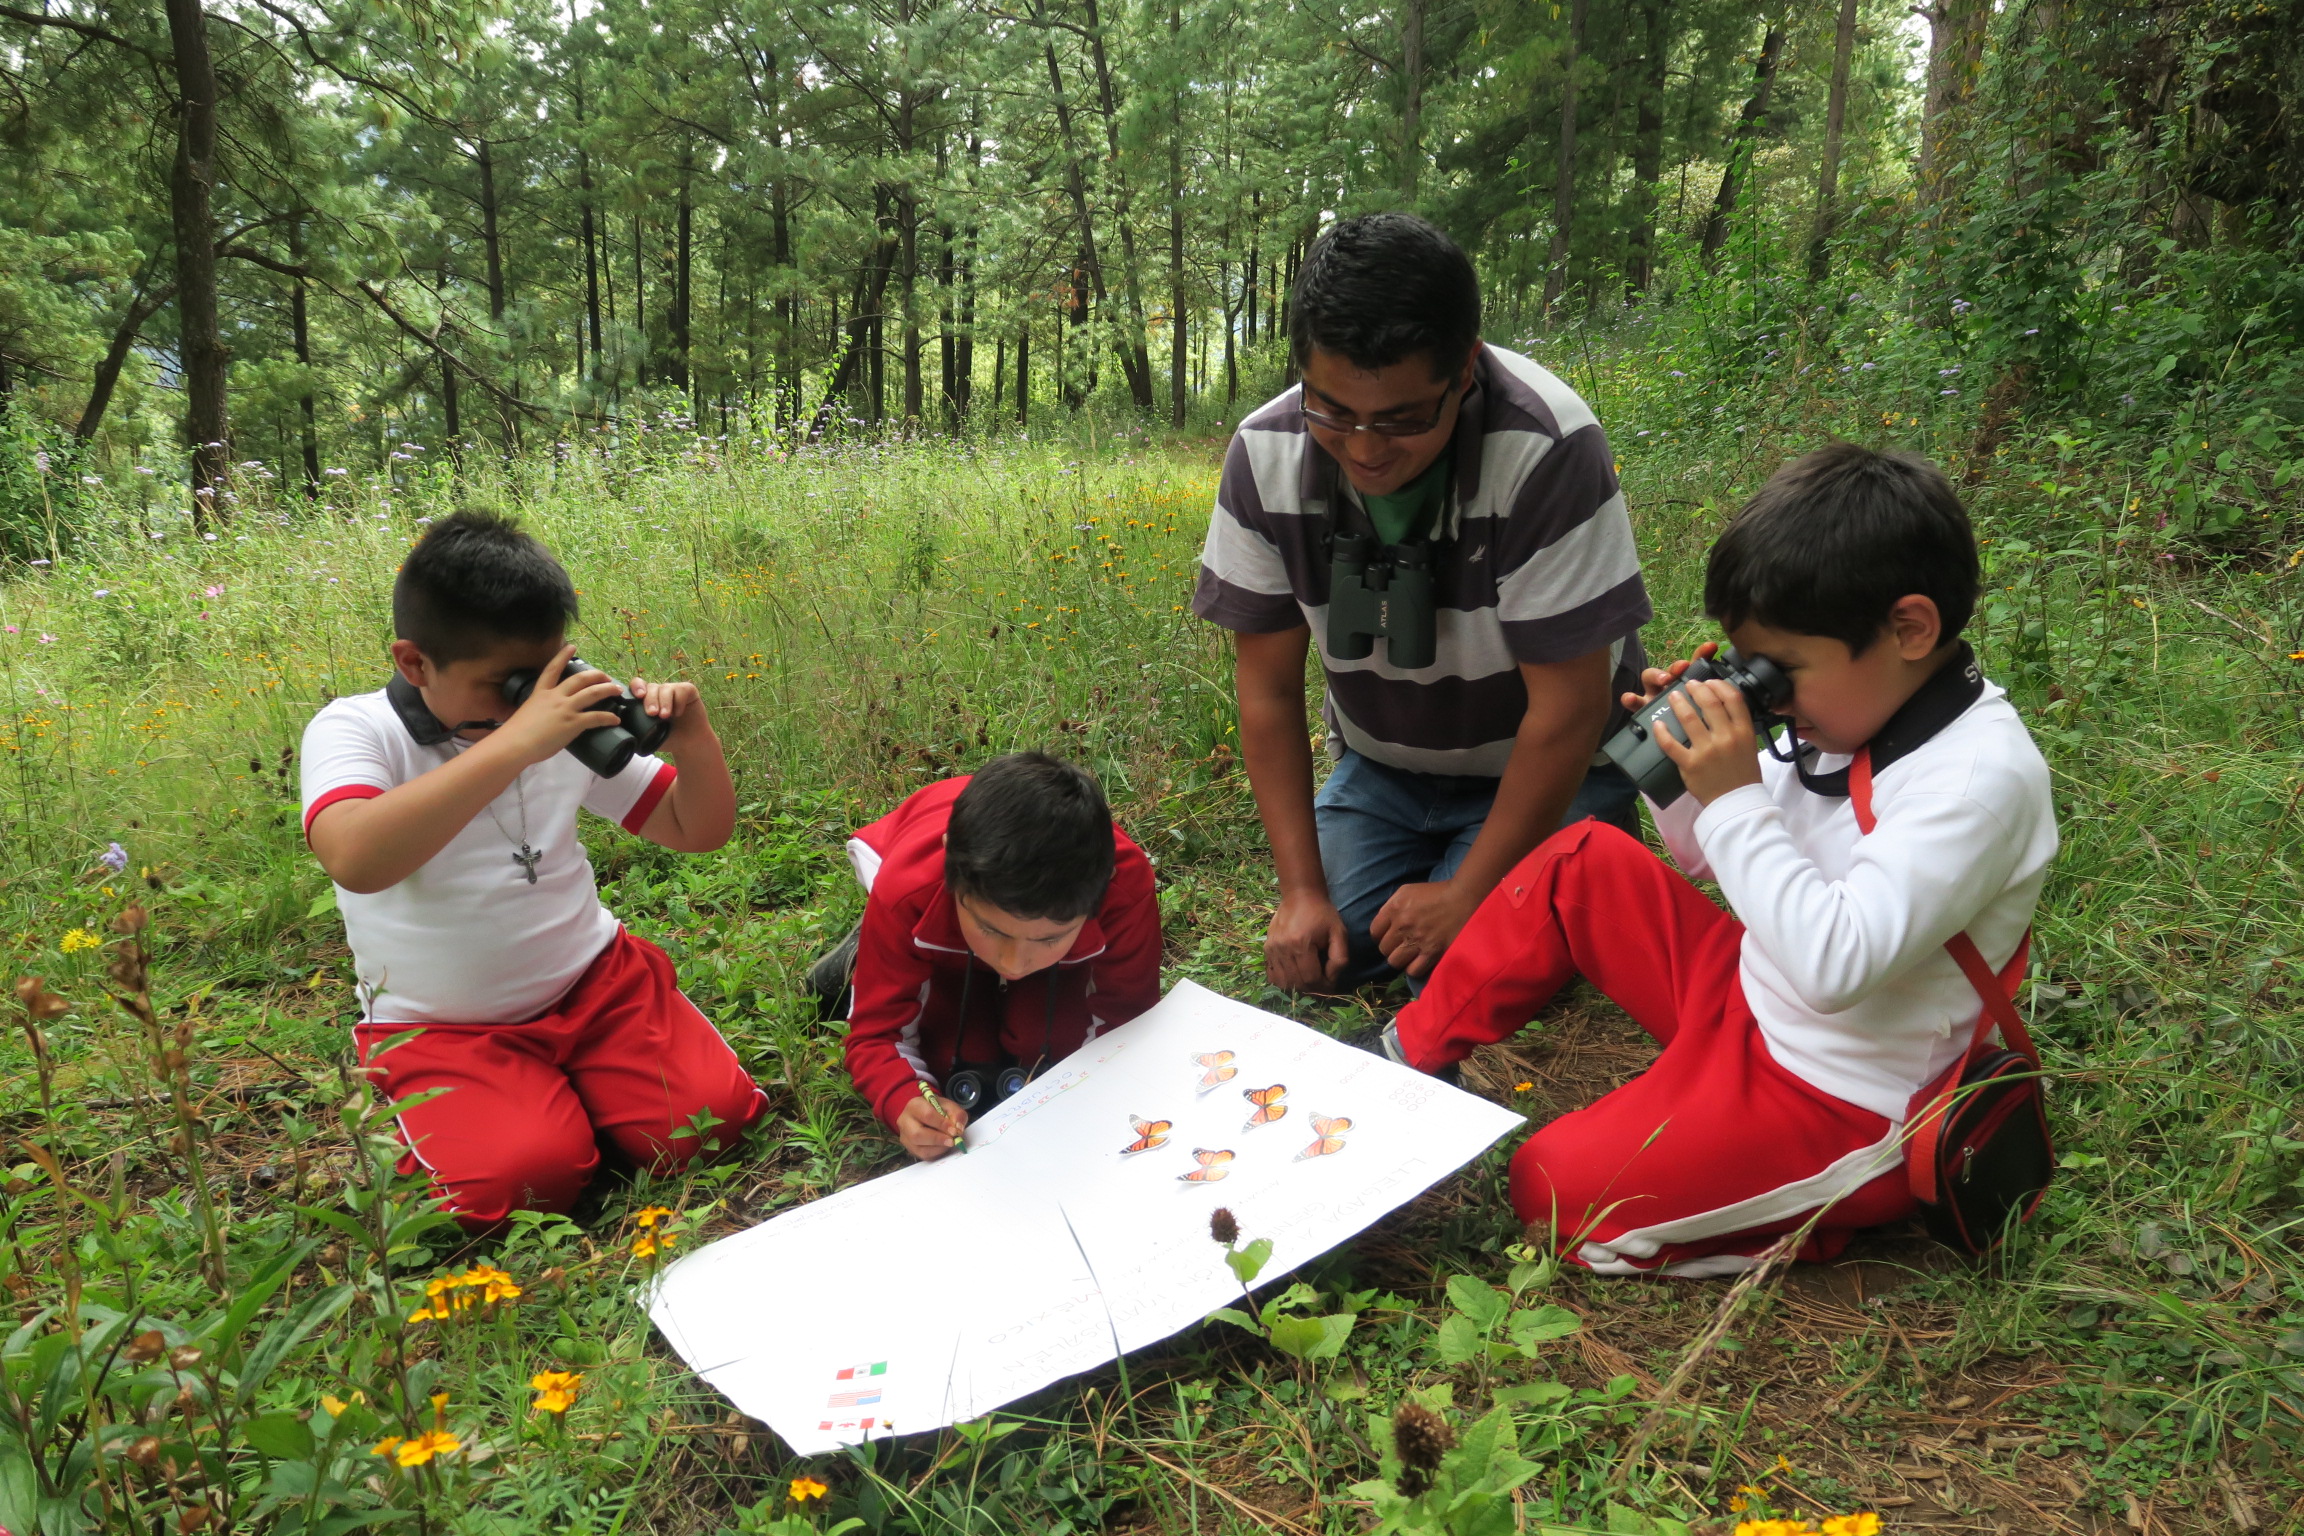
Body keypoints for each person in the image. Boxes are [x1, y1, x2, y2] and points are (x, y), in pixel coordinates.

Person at [1385, 444, 2058, 1276]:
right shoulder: (1851, 712)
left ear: (1909, 629)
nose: (1772, 695)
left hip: (1838, 1095)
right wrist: (1678, 764)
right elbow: (1706, 856)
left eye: (1786, 670)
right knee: (1580, 861)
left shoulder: (1976, 781)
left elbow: (1833, 965)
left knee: (1551, 1192)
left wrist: (1738, 792)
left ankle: (1828, 1207)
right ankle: (1404, 1063)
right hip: (1743, 994)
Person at [1193, 212, 1651, 992]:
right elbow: (1267, 690)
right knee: (1329, 957)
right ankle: (1465, 879)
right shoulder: (1264, 451)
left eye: (1404, 419)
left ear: (1465, 367)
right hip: (1387, 771)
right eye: (1332, 410)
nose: (1367, 449)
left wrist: (1468, 893)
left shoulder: (1547, 448)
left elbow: (1569, 709)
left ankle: (1538, 877)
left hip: (1562, 766)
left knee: (1484, 965)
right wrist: (1302, 892)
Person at [300, 509, 766, 1230]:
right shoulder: (357, 729)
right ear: (414, 662)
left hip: (594, 987)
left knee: (709, 1126)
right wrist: (519, 740)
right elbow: (354, 856)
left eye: (544, 672)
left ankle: (566, 1097)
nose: (531, 697)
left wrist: (694, 741)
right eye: (504, 684)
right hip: (446, 1027)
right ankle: (434, 1105)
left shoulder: (556, 728)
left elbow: (695, 830)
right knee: (520, 1184)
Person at [822, 753, 1161, 1161]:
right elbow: (876, 1035)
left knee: (1048, 1044)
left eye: (1050, 937)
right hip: (926, 893)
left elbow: (1128, 1025)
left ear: (1102, 890)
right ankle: (872, 944)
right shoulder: (907, 890)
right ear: (951, 865)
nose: (1014, 963)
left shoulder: (1124, 887)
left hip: (964, 907)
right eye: (991, 928)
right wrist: (904, 1100)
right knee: (949, 1055)